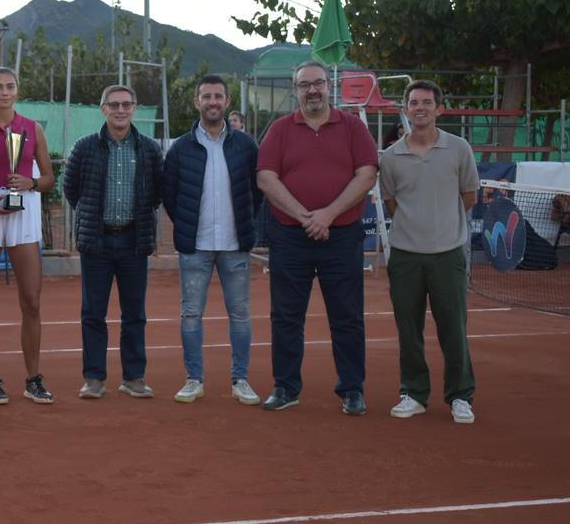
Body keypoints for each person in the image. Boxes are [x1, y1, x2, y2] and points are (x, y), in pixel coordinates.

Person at [256, 61, 378, 414]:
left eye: (318, 83)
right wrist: (304, 216)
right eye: (304, 84)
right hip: (290, 238)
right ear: (296, 90)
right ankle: (286, 387)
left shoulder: (353, 128)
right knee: (286, 317)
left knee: (348, 316)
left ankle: (352, 389)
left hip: (341, 237)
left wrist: (328, 214)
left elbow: (367, 174)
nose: (312, 90)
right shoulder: (279, 130)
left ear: (330, 86)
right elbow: (266, 178)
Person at [379, 80, 479, 424]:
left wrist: (441, 227)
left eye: (426, 102)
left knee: (453, 328)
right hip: (406, 255)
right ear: (406, 109)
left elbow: (469, 196)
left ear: (439, 109)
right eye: (413, 102)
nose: (419, 107)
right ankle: (414, 393)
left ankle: (460, 396)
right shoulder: (391, 157)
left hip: (447, 254)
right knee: (409, 330)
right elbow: (392, 203)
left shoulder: (459, 148)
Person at [163, 75, 262, 406]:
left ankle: (241, 379)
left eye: (218, 96)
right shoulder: (180, 148)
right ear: (197, 102)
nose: (213, 102)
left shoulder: (246, 146)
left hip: (236, 246)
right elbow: (170, 195)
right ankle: (194, 379)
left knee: (240, 314)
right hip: (196, 246)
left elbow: (256, 193)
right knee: (191, 314)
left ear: (228, 101)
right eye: (206, 96)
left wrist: (245, 224)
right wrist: (188, 225)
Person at [63, 84, 163, 400]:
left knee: (135, 314)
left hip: (134, 241)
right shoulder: (84, 147)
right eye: (114, 105)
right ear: (103, 108)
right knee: (93, 313)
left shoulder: (149, 148)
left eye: (126, 104)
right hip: (98, 242)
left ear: (134, 109)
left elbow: (157, 192)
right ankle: (94, 377)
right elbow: (72, 190)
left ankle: (133, 377)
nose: (120, 110)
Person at [0, 67, 56, 404]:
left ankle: (33, 378)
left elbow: (48, 177)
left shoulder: (33, 129)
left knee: (32, 302)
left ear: (17, 91)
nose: (4, 92)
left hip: (25, 212)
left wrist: (30, 183)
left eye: (10, 86)